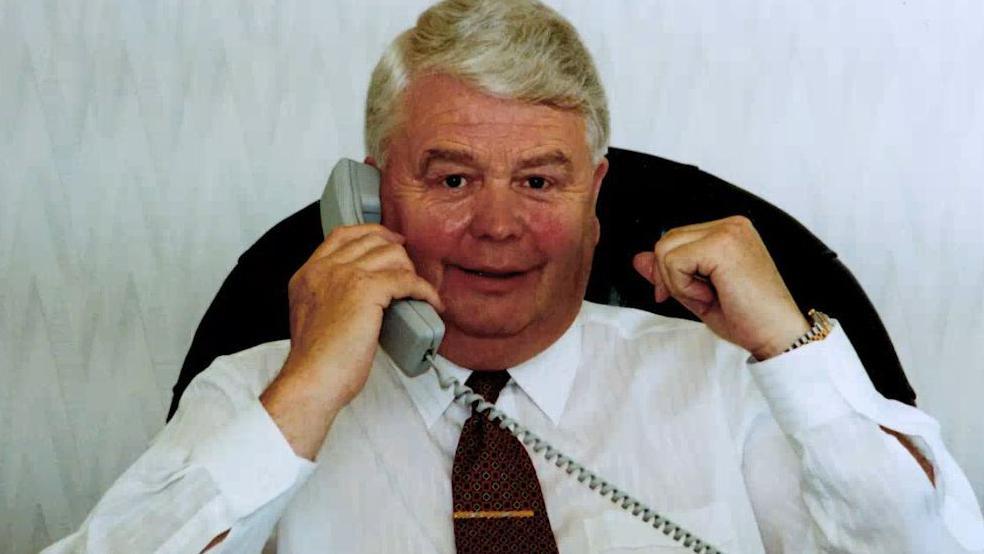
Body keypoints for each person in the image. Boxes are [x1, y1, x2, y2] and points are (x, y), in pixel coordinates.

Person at [45, 0, 984, 552]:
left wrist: (791, 349)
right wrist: (306, 392)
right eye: (452, 178)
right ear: (371, 199)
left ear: (597, 194)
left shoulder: (731, 383)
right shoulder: (260, 391)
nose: (499, 224)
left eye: (541, 180)